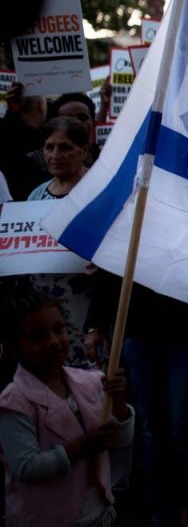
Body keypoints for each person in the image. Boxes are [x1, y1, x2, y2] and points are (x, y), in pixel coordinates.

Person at [0, 290, 134, 527]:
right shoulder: (14, 401)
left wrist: (119, 401)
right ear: (15, 348)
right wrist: (82, 447)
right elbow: (27, 467)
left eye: (58, 329)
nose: (53, 341)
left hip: (98, 512)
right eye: (37, 336)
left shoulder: (92, 381)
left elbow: (121, 439)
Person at [25, 118, 98, 369]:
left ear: (84, 151)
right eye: (49, 147)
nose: (55, 155)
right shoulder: (36, 195)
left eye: (65, 147)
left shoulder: (101, 192)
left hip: (89, 307)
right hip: (45, 308)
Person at [51, 93, 99, 165]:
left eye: (82, 118)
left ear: (93, 123)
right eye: (68, 120)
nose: (76, 124)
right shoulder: (40, 163)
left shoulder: (107, 157)